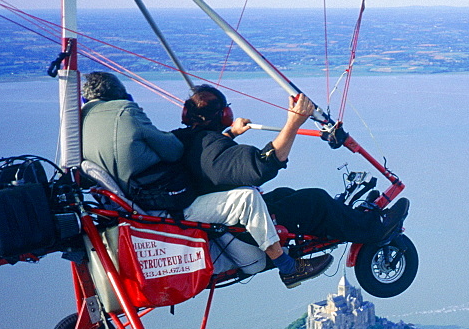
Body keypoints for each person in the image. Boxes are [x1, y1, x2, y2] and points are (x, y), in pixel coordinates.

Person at [79, 72, 331, 288]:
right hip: (165, 210)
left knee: (277, 196)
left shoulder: (83, 123)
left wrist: (229, 133)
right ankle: (288, 267)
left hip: (135, 208)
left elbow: (177, 144)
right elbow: (173, 151)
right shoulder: (126, 112)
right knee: (247, 198)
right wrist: (294, 122)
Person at [172, 84, 409, 245]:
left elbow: (212, 156)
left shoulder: (183, 139)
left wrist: (230, 135)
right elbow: (263, 165)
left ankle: (343, 220)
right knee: (317, 201)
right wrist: (293, 123)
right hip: (235, 229)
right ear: (225, 114)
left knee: (286, 195)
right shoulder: (212, 151)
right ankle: (374, 229)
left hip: (216, 214)